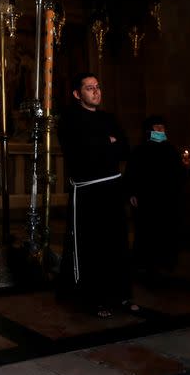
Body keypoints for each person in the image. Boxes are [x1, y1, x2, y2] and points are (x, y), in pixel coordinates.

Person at [57, 72, 133, 318]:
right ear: (78, 94)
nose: (96, 91)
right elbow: (81, 153)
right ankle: (94, 298)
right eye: (90, 88)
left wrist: (103, 144)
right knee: (93, 246)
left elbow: (124, 148)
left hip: (112, 188)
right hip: (88, 192)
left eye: (98, 87)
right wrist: (106, 143)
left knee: (117, 243)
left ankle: (120, 295)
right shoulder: (70, 119)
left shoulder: (109, 118)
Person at [125, 116, 186, 283]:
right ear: (149, 131)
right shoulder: (140, 151)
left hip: (167, 200)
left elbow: (178, 174)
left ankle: (166, 264)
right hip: (147, 200)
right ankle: (147, 266)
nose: (160, 131)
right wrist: (132, 193)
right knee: (147, 233)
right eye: (157, 128)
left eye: (162, 128)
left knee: (167, 232)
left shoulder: (171, 150)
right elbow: (132, 173)